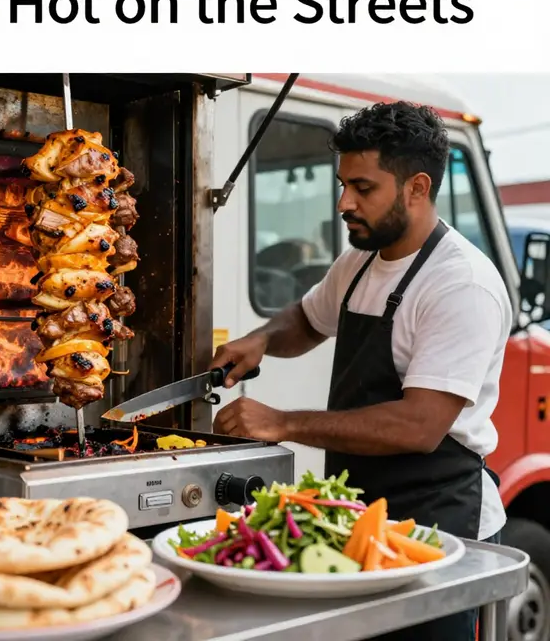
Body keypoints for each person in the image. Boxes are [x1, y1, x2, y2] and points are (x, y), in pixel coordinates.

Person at [211, 102, 511, 641]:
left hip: (437, 529)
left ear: (417, 188)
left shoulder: (461, 284)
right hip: (359, 516)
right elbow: (307, 319)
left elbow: (418, 426)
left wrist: (282, 423)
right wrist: (261, 341)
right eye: (343, 184)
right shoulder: (361, 260)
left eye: (363, 188)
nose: (344, 202)